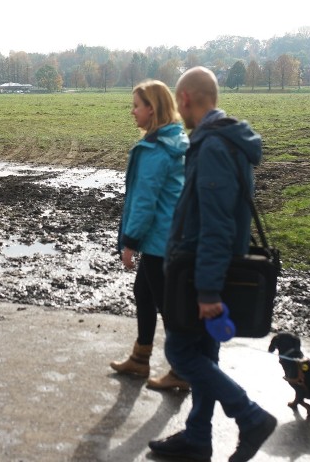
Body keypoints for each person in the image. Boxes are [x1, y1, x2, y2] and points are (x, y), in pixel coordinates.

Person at [149, 67, 276, 462]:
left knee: (182, 354)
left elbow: (217, 224)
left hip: (198, 269)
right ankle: (198, 437)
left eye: (178, 99)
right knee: (204, 356)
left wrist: (206, 290)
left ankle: (250, 415)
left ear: (185, 98)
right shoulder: (219, 140)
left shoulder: (215, 147)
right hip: (204, 265)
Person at [110, 80, 190, 392]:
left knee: (167, 307)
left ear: (152, 109)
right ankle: (140, 359)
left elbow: (145, 200)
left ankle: (182, 369)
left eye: (136, 106)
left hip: (159, 240)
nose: (132, 112)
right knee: (144, 294)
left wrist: (130, 242)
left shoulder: (156, 150)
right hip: (168, 237)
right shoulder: (174, 140)